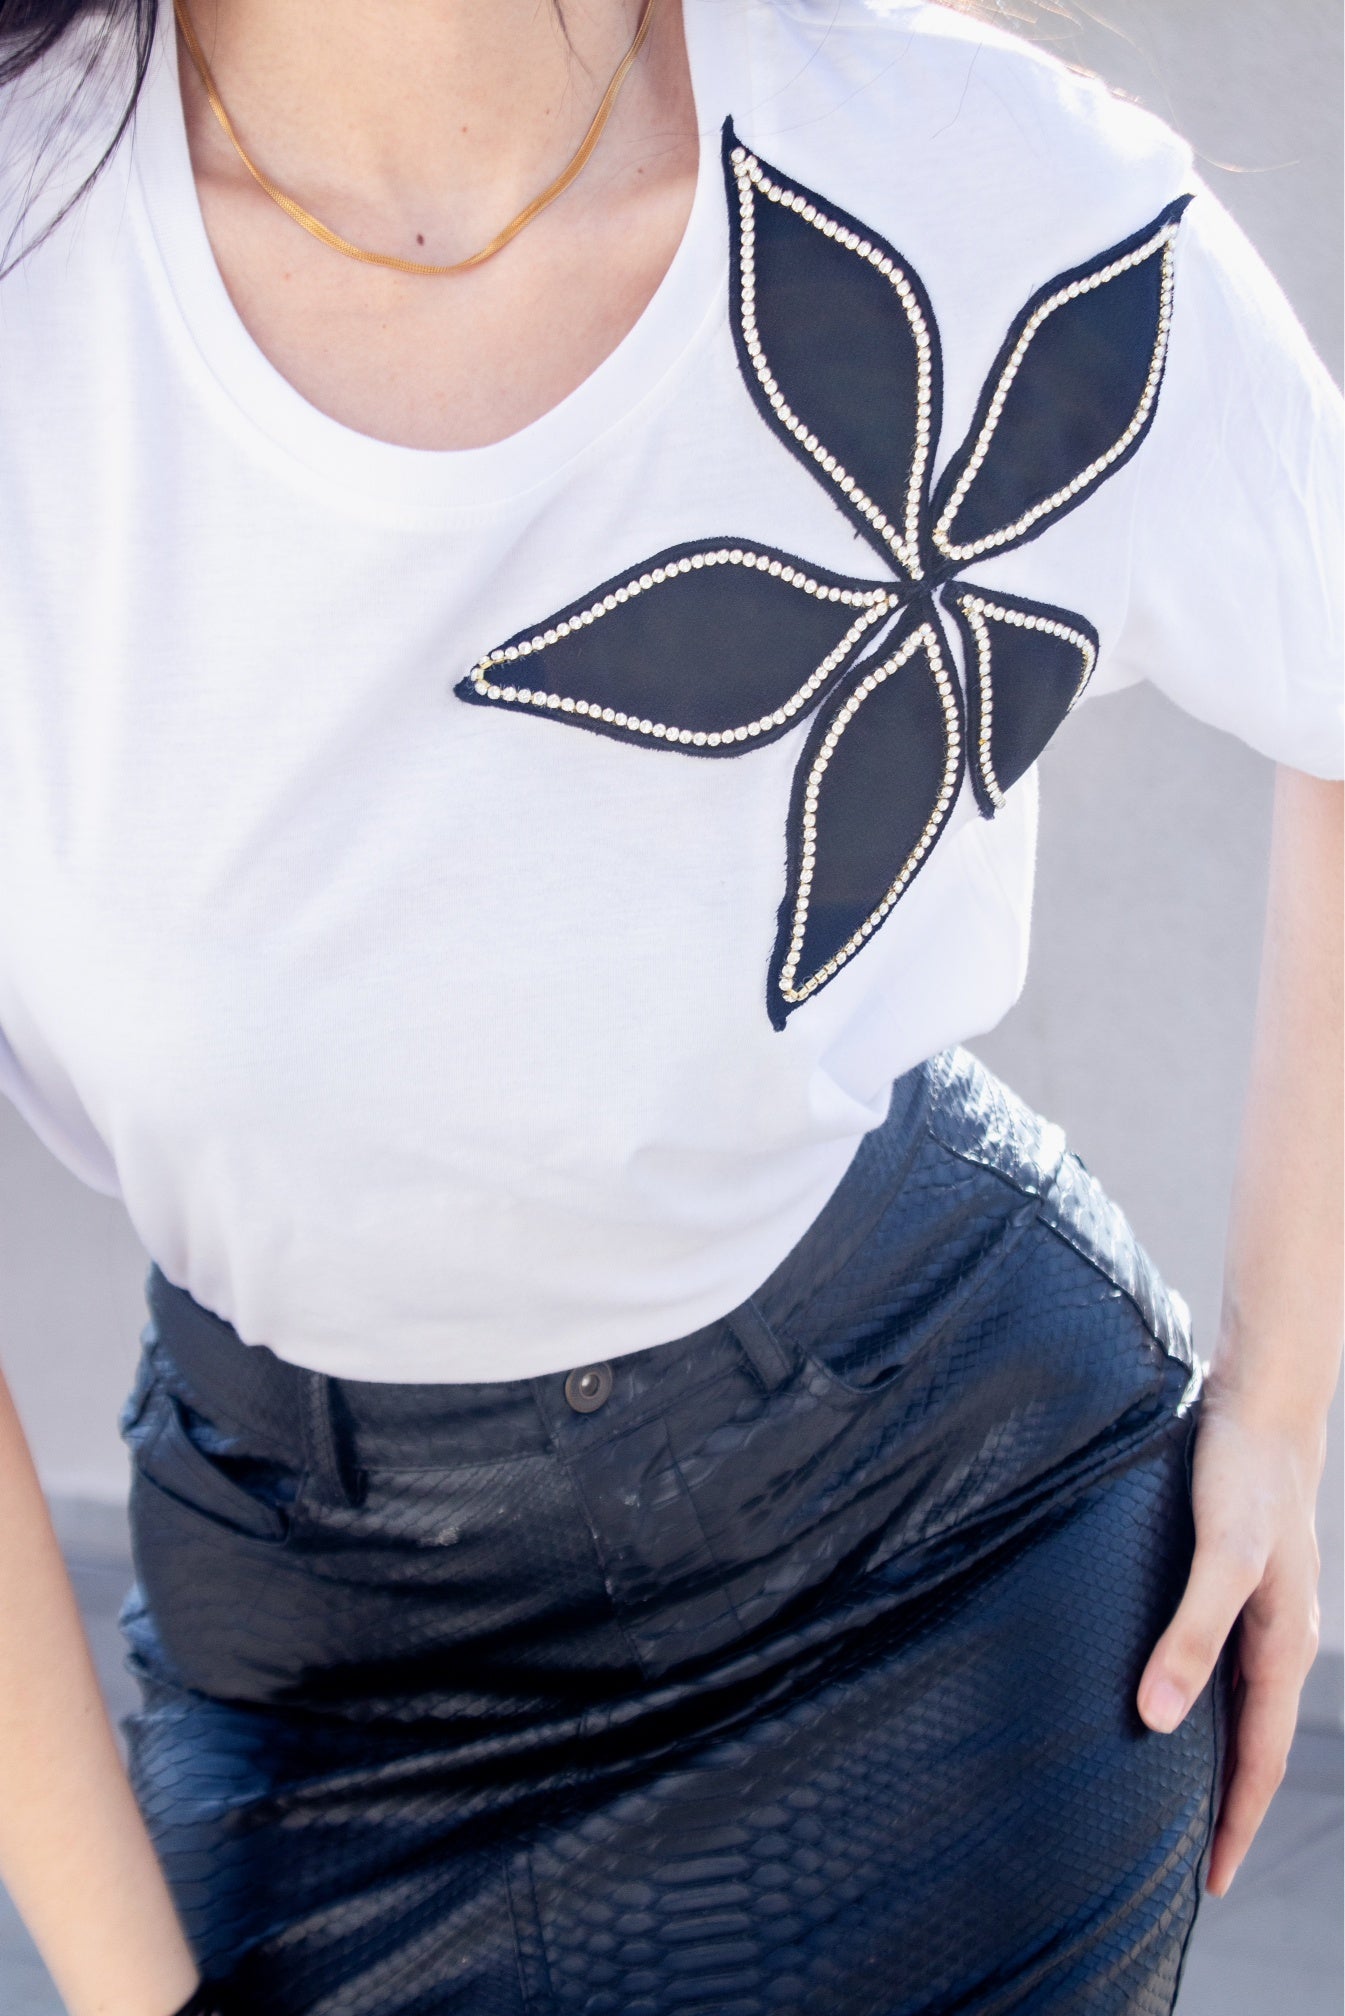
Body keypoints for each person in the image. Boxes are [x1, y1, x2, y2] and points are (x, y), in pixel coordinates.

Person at [0, 0, 1340, 2009]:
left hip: (945, 1555)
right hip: (325, 1661)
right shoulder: (43, 275)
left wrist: (1281, 1393)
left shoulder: (964, 182)